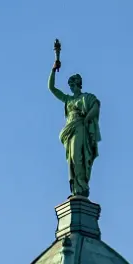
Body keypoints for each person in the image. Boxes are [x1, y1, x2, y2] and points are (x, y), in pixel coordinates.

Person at [49, 56, 101, 199]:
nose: (71, 86)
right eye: (70, 84)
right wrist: (53, 69)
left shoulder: (86, 97)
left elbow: (96, 105)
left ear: (78, 84)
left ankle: (82, 186)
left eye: (73, 84)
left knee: (78, 157)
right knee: (72, 159)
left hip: (80, 128)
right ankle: (76, 188)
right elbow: (52, 88)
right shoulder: (68, 99)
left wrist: (87, 119)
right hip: (70, 130)